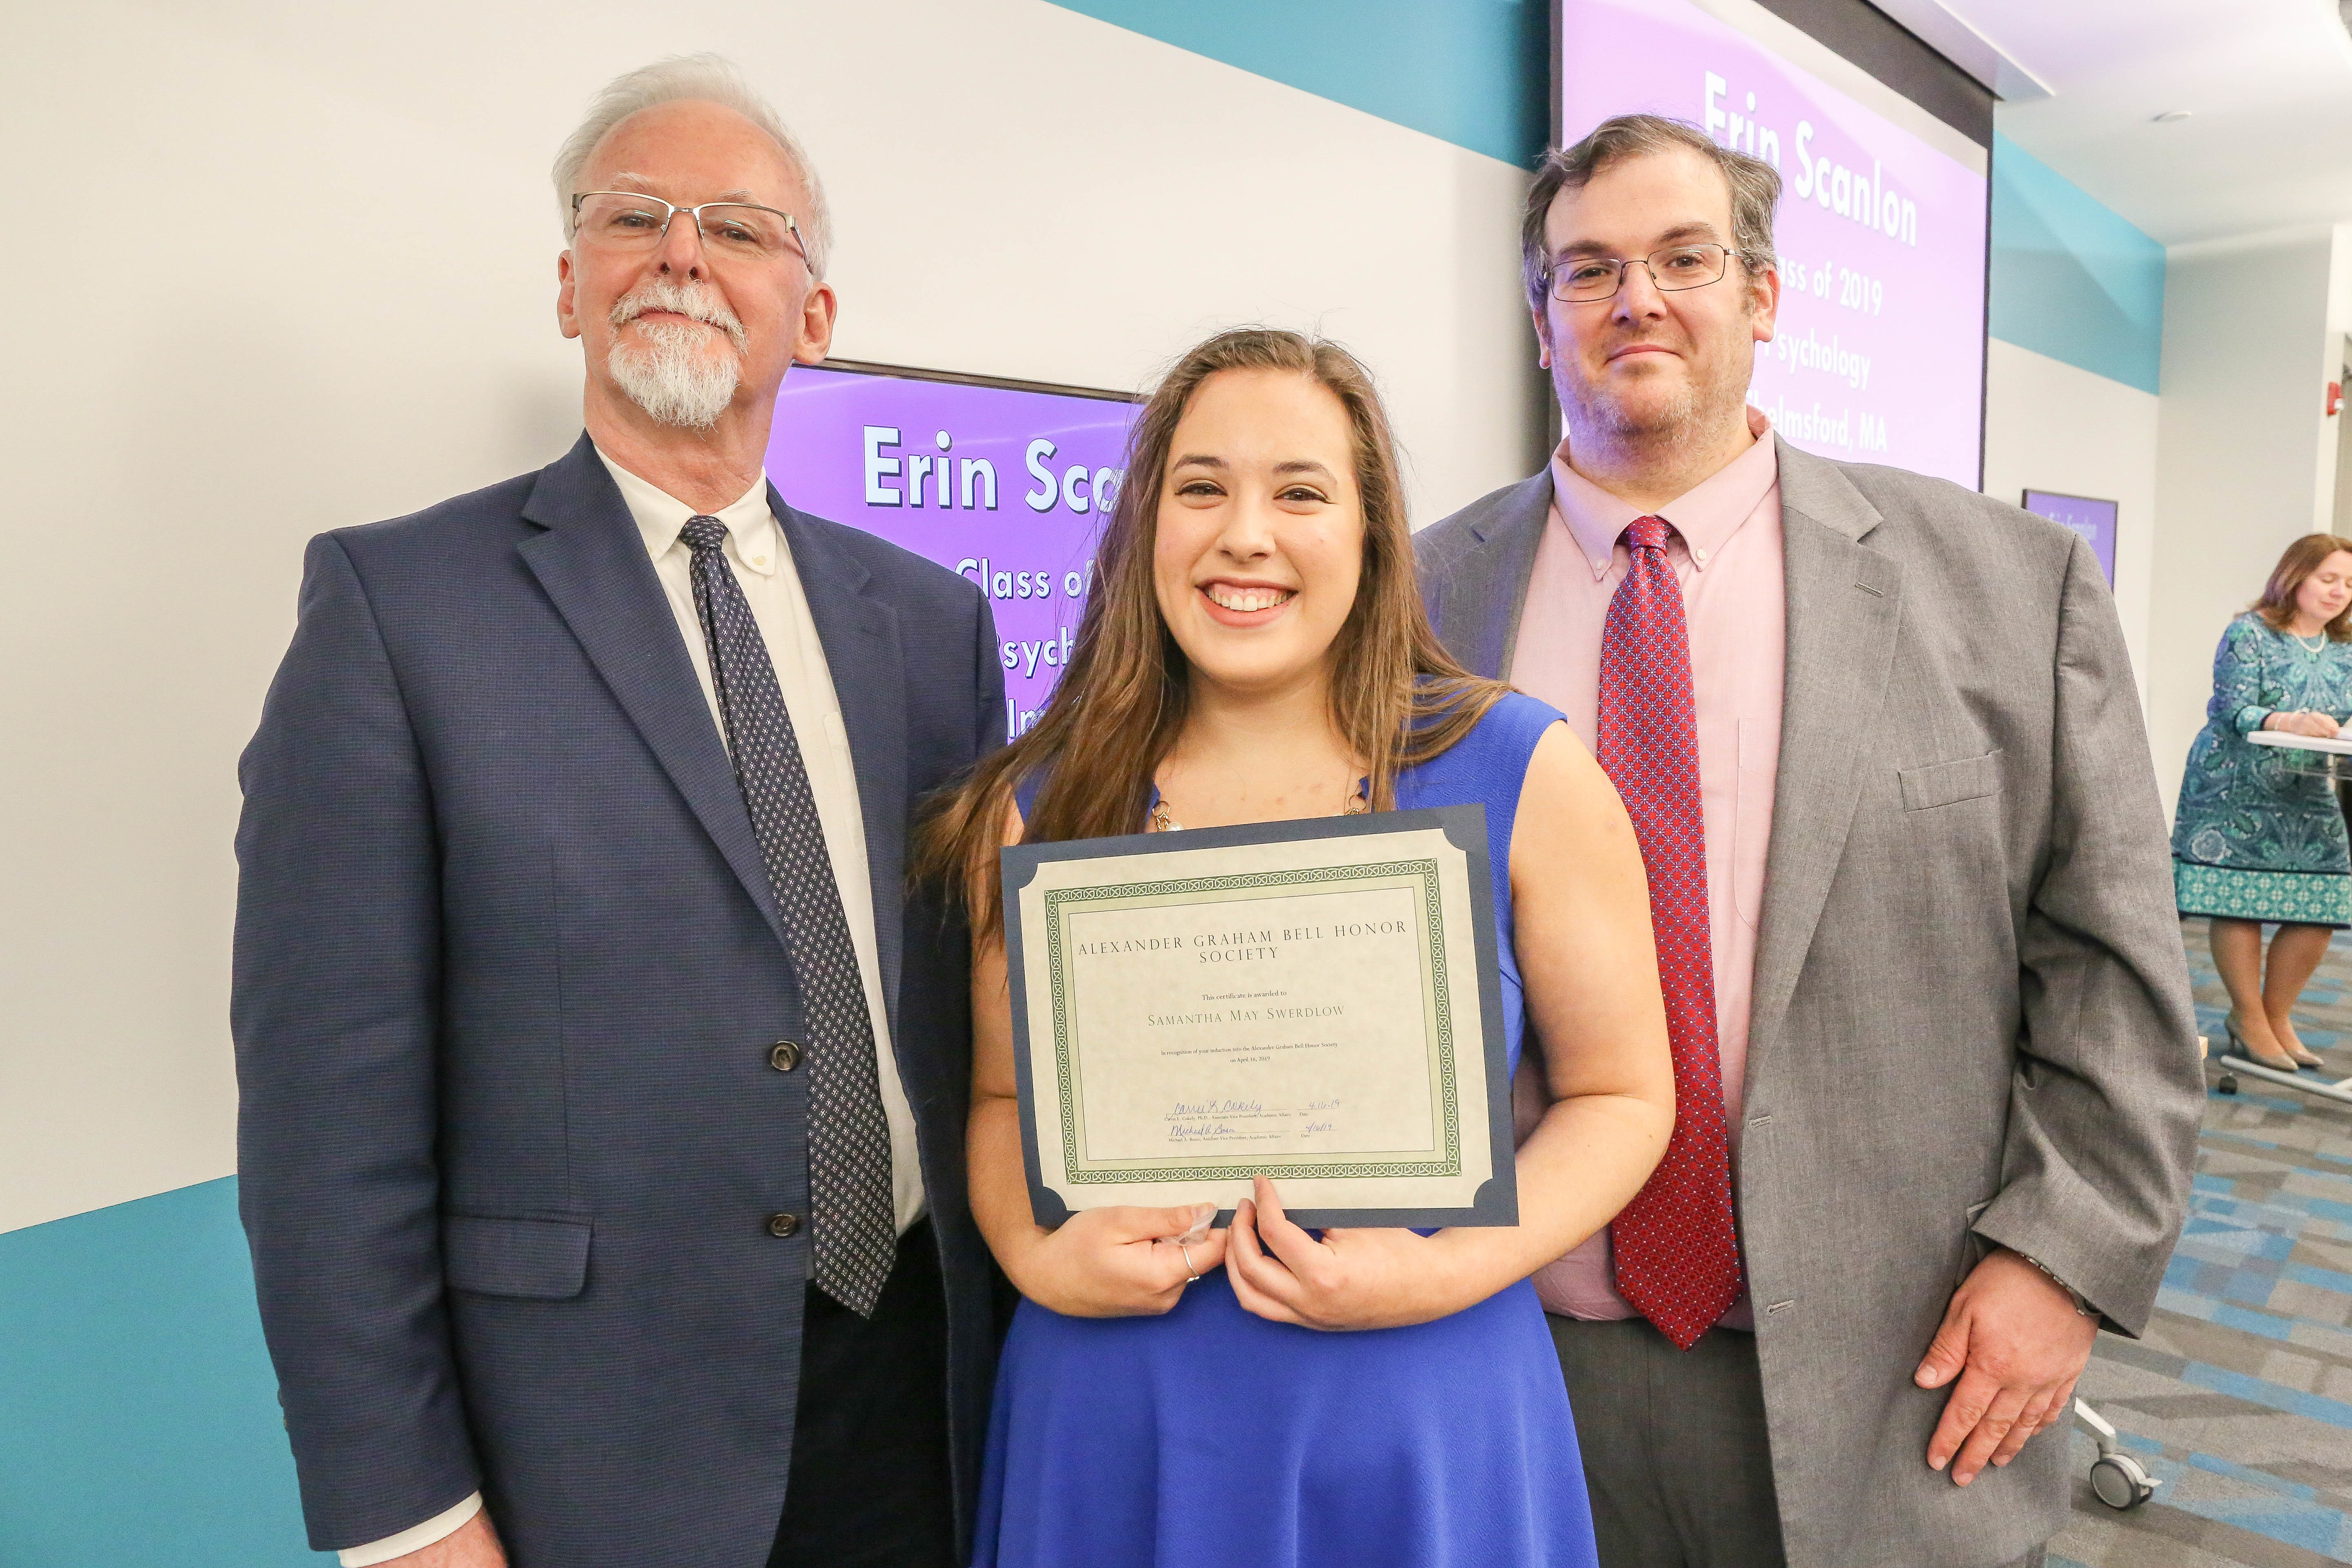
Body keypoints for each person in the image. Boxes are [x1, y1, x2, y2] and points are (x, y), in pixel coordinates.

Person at [234, 57, 1003, 1568]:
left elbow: (976, 1013)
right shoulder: (398, 609)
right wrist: (407, 1517)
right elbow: (326, 1124)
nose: (682, 254)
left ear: (815, 315)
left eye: (740, 227)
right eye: (634, 216)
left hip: (921, 1400)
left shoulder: (931, 625)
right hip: (592, 1448)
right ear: (569, 285)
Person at [1413, 114, 2205, 1568]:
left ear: (1764, 297)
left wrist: (2065, 1260)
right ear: (1540, 321)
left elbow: (2116, 973)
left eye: (1685, 259)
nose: (1637, 300)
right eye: (1588, 270)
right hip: (1508, 1362)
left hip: (1903, 1368)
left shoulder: (2008, 587)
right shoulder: (1409, 607)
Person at [916, 327, 1677, 1566]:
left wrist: (1444, 1272)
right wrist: (1038, 1259)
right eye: (1201, 488)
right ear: (1144, 527)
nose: (1246, 535)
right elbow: (1002, 1104)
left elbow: (1624, 1097)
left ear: (1371, 535)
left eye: (1301, 494)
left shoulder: (1521, 770)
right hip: (1116, 1414)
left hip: (1419, 1407)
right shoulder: (1043, 804)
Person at [2172, 533, 2352, 1071]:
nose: (2340, 592)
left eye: (2349, 584)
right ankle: (2249, 1018)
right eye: (2329, 579)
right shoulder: (2248, 633)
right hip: (2236, 783)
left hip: (2307, 787)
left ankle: (2276, 1017)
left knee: (2322, 903)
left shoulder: (2346, 647)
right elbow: (2232, 709)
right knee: (2240, 900)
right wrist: (2287, 720)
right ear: (2294, 577)